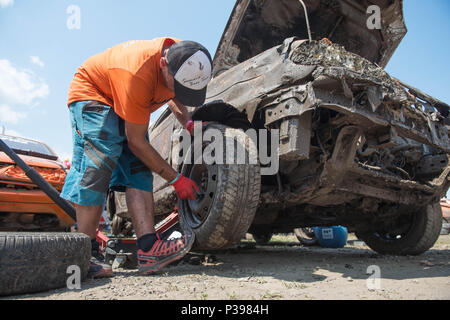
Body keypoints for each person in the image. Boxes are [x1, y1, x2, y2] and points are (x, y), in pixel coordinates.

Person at [61, 37, 213, 278]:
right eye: (177, 86)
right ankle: (84, 252)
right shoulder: (137, 74)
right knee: (100, 158)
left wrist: (189, 123)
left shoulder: (186, 57)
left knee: (139, 167)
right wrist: (176, 180)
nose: (177, 91)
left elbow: (174, 94)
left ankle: (148, 248)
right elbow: (136, 141)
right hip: (94, 93)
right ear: (163, 64)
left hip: (127, 98)